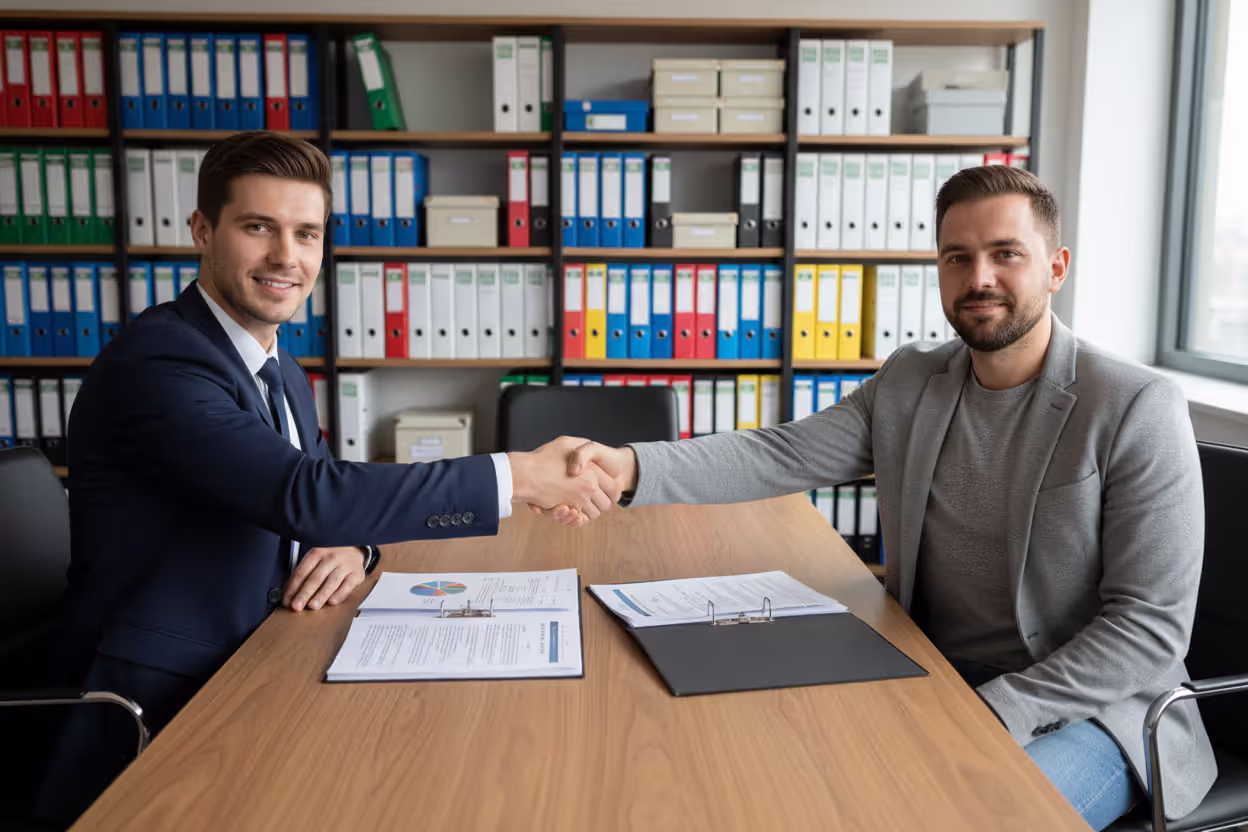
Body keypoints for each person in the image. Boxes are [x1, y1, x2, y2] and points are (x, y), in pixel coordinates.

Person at [549, 166, 1216, 829]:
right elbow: (780, 453)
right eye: (958, 258)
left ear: (1056, 267)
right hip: (935, 670)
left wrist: (1000, 707)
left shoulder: (1133, 406)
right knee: (772, 767)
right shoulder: (911, 382)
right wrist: (628, 466)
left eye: (1005, 254)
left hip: (1099, 709)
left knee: (965, 817)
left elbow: (1148, 631)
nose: (979, 278)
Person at [36, 131, 620, 824]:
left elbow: (320, 499)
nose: (288, 257)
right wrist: (518, 474)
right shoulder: (161, 362)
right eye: (259, 228)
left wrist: (353, 546)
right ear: (202, 230)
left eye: (307, 234)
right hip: (163, 696)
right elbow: (307, 496)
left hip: (263, 648)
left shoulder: (273, 360)